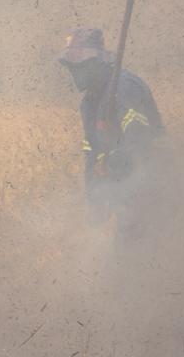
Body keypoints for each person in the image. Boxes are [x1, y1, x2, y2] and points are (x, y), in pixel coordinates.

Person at [58, 27, 164, 238]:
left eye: (82, 65)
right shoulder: (89, 102)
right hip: (125, 195)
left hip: (152, 192)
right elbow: (92, 150)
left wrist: (113, 161)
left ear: (98, 62)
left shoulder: (124, 88)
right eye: (72, 66)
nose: (76, 72)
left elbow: (141, 142)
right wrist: (94, 199)